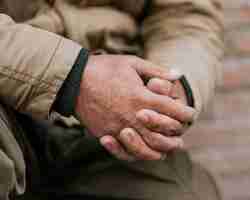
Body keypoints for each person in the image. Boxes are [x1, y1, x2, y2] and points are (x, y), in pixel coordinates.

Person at [0, 0, 224, 200]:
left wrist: (170, 85)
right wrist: (74, 78)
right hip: (8, 103)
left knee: (187, 192)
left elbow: (185, 14)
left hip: (117, 117)